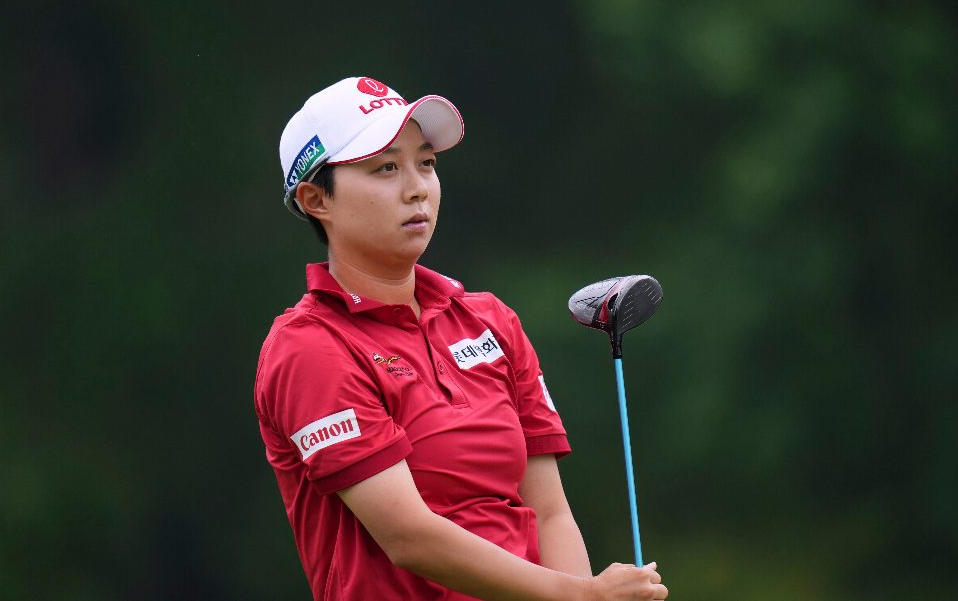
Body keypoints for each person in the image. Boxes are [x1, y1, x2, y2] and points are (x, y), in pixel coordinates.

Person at [254, 76, 668, 600]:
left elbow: (549, 512)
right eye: (385, 168)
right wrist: (578, 596)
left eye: (425, 163)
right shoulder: (310, 347)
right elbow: (408, 537)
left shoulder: (490, 321)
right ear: (317, 200)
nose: (416, 187)